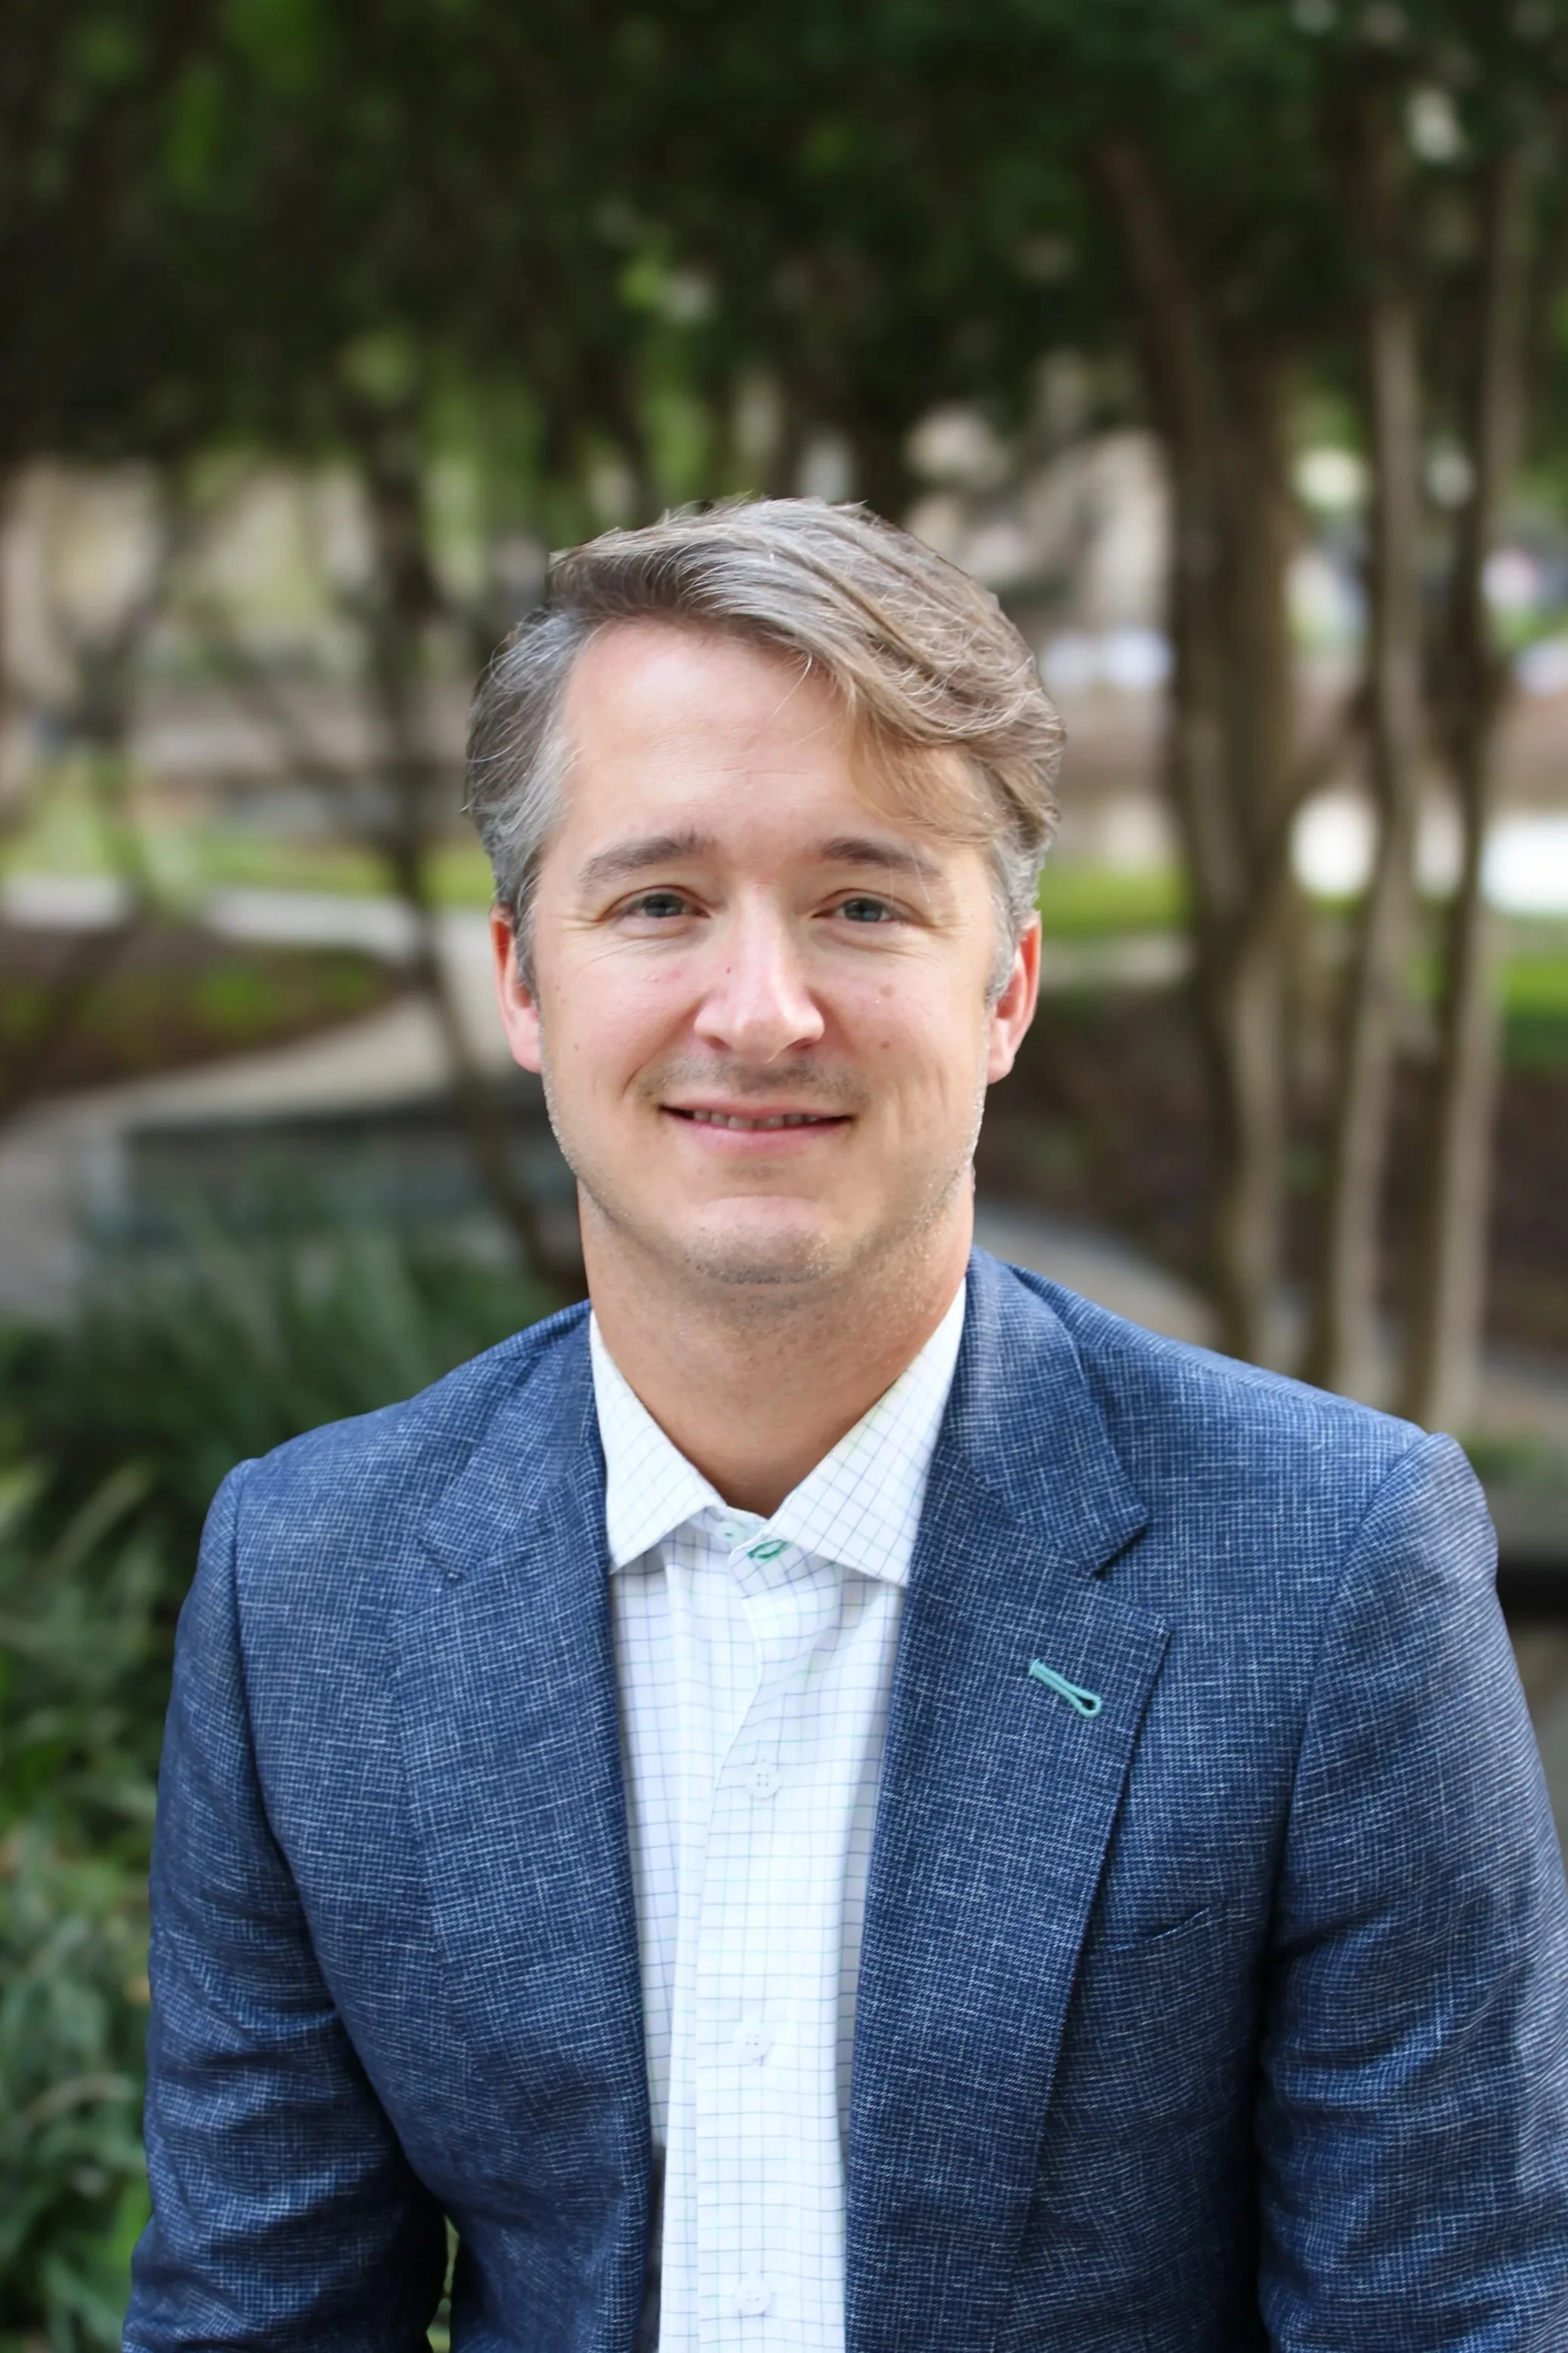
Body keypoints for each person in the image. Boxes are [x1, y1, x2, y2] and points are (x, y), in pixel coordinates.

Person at [125, 500, 1568, 2353]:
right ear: (520, 980)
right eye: (658, 902)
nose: (761, 1010)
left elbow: (1438, 2316)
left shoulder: (1331, 1570)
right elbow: (258, 2315)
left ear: (1004, 990)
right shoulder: (309, 1584)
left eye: (862, 904)